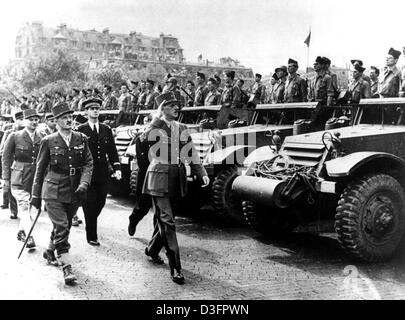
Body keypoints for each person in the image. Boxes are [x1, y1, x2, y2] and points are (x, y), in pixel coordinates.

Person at [142, 91, 210, 284]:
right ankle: (176, 268)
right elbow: (145, 138)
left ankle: (152, 249)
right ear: (163, 108)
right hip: (158, 179)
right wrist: (156, 118)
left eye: (177, 105)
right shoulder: (156, 126)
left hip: (176, 179)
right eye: (172, 106)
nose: (176, 108)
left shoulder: (181, 127)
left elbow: (191, 152)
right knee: (168, 222)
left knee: (164, 220)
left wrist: (201, 172)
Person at [30, 101, 93, 285]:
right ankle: (66, 267)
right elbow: (39, 170)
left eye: (70, 117)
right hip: (53, 190)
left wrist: (84, 183)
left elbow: (89, 163)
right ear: (56, 121)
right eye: (64, 118)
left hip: (74, 190)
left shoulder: (81, 138)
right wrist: (35, 196)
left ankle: (50, 251)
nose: (68, 120)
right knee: (63, 226)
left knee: (63, 226)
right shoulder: (48, 141)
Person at [77, 98, 121, 246]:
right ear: (86, 112)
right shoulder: (80, 130)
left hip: (102, 172)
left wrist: (117, 168)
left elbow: (112, 151)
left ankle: (90, 221)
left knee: (101, 201)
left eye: (97, 108)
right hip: (87, 173)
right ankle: (91, 235)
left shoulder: (106, 129)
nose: (95, 111)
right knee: (89, 202)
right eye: (91, 108)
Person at [2, 109, 43, 250]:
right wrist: (5, 178)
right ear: (25, 121)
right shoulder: (14, 136)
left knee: (31, 207)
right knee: (24, 205)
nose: (34, 122)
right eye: (31, 119)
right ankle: (29, 237)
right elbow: (6, 158)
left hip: (35, 178)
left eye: (36, 119)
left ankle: (22, 231)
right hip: (18, 177)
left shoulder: (42, 137)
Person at [127, 114, 153, 237]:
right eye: (147, 123)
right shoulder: (141, 139)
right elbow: (142, 163)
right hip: (146, 176)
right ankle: (133, 219)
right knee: (143, 206)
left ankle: (158, 238)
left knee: (161, 212)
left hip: (162, 176)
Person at [0, 111, 24, 218]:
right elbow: (3, 150)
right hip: (12, 163)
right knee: (11, 188)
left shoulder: (28, 132)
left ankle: (24, 209)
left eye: (23, 118)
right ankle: (14, 210)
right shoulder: (9, 132)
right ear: (15, 120)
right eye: (19, 119)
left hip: (24, 163)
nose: (21, 121)